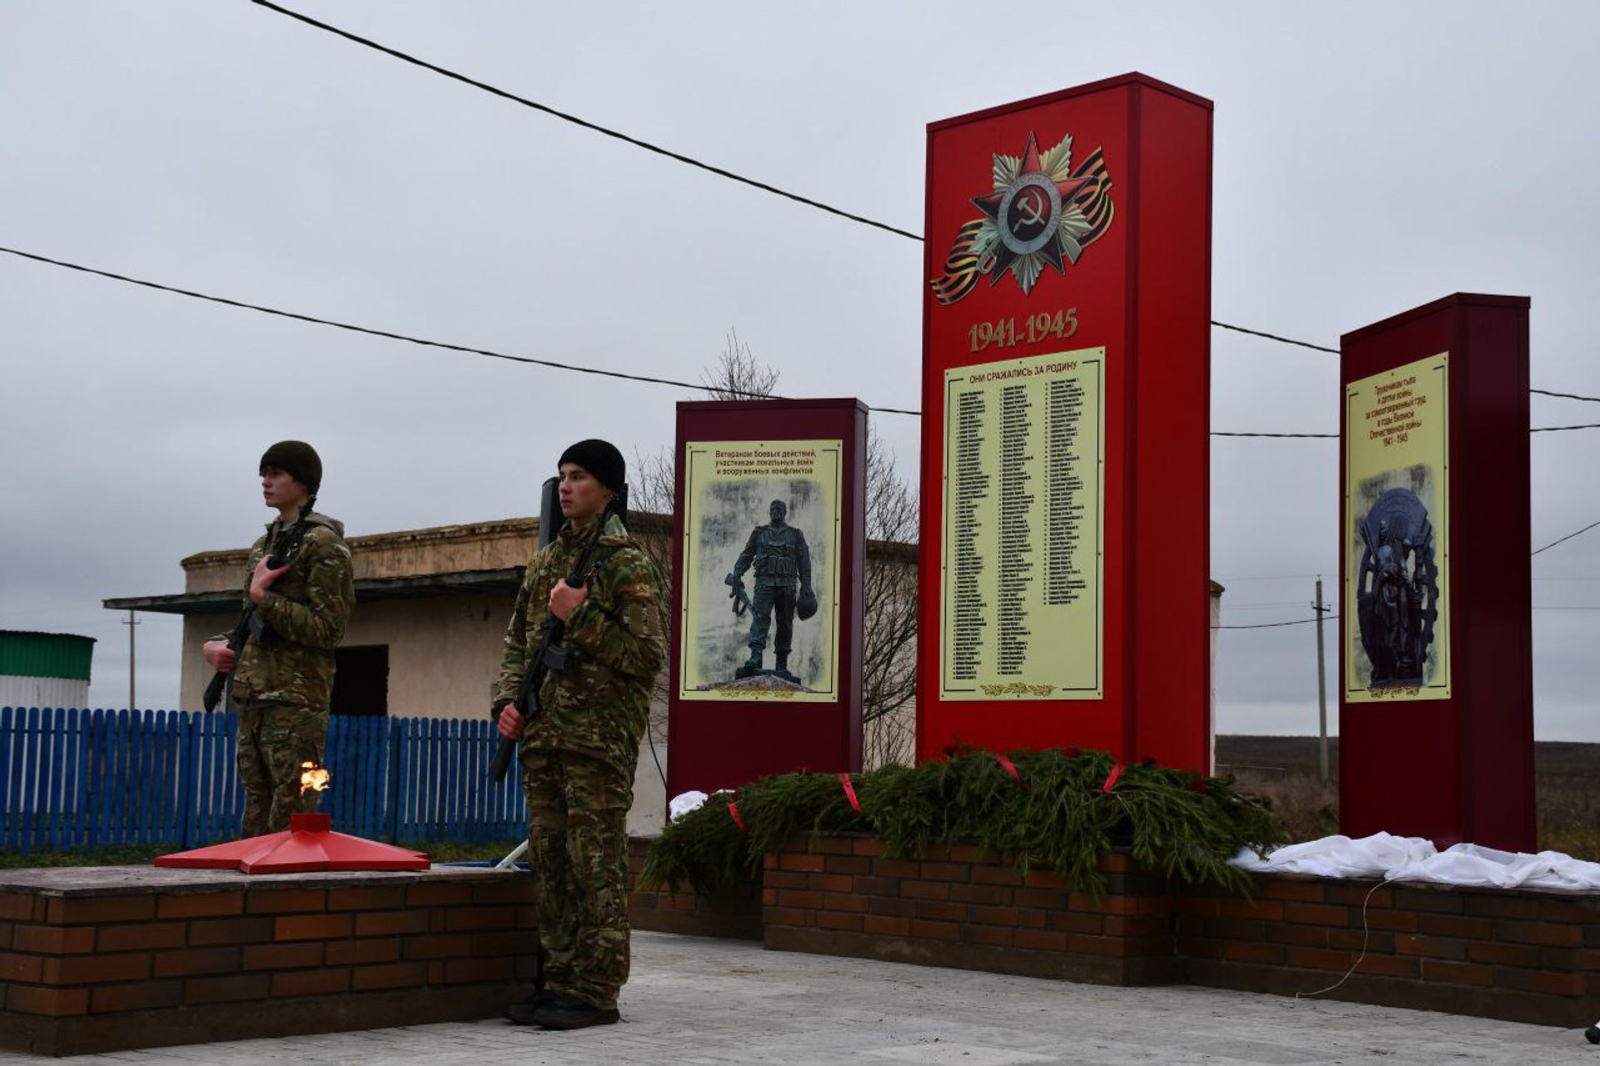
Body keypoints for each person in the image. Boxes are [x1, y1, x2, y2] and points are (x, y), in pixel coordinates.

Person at [492, 439, 665, 1030]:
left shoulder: (625, 562)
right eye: (563, 476)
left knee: (595, 865)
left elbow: (645, 656)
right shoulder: (546, 562)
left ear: (608, 489)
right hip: (544, 735)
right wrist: (507, 705)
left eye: (580, 476)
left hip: (597, 738)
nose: (567, 486)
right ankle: (560, 980)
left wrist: (581, 615)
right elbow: (517, 644)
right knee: (552, 863)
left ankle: (596, 990)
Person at [201, 441, 354, 837]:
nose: (265, 482)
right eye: (263, 474)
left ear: (302, 482)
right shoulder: (264, 545)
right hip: (254, 697)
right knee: (255, 818)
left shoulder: (324, 544)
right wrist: (216, 645)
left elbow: (329, 629)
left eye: (275, 474)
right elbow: (250, 620)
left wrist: (264, 597)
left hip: (296, 705)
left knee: (294, 821)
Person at [727, 499, 813, 682]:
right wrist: (737, 573)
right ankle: (755, 657)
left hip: (787, 585)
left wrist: (807, 586)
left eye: (779, 509)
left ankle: (781, 663)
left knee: (785, 623)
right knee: (760, 619)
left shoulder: (796, 535)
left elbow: (804, 562)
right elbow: (747, 554)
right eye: (772, 509)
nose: (775, 511)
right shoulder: (760, 533)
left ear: (785, 512)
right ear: (769, 512)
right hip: (764, 583)